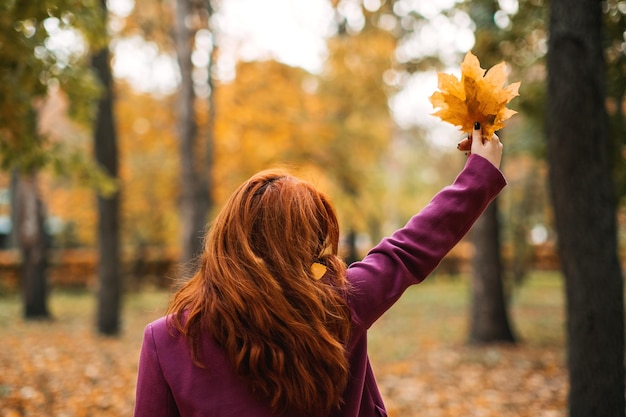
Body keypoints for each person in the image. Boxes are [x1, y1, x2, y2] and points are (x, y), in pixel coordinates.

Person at [134, 122, 505, 417]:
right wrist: (479, 172)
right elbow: (408, 251)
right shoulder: (338, 308)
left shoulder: (167, 340)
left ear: (226, 237)